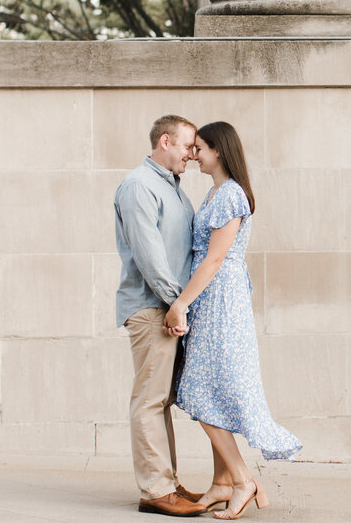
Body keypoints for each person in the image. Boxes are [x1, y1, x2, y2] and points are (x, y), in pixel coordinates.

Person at [167, 121, 302, 520]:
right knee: (212, 389)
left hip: (219, 300)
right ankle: (222, 483)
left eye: (201, 149)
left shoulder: (230, 195)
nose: (194, 155)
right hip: (212, 299)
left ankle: (242, 479)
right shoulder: (216, 192)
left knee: (200, 389)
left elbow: (214, 259)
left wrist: (180, 305)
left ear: (220, 152)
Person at [114, 114, 209, 517]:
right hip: (154, 308)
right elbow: (149, 257)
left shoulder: (172, 189)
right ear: (165, 141)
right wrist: (177, 304)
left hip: (168, 308)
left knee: (161, 400)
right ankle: (155, 491)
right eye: (188, 145)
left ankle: (166, 482)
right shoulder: (139, 185)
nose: (192, 154)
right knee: (150, 401)